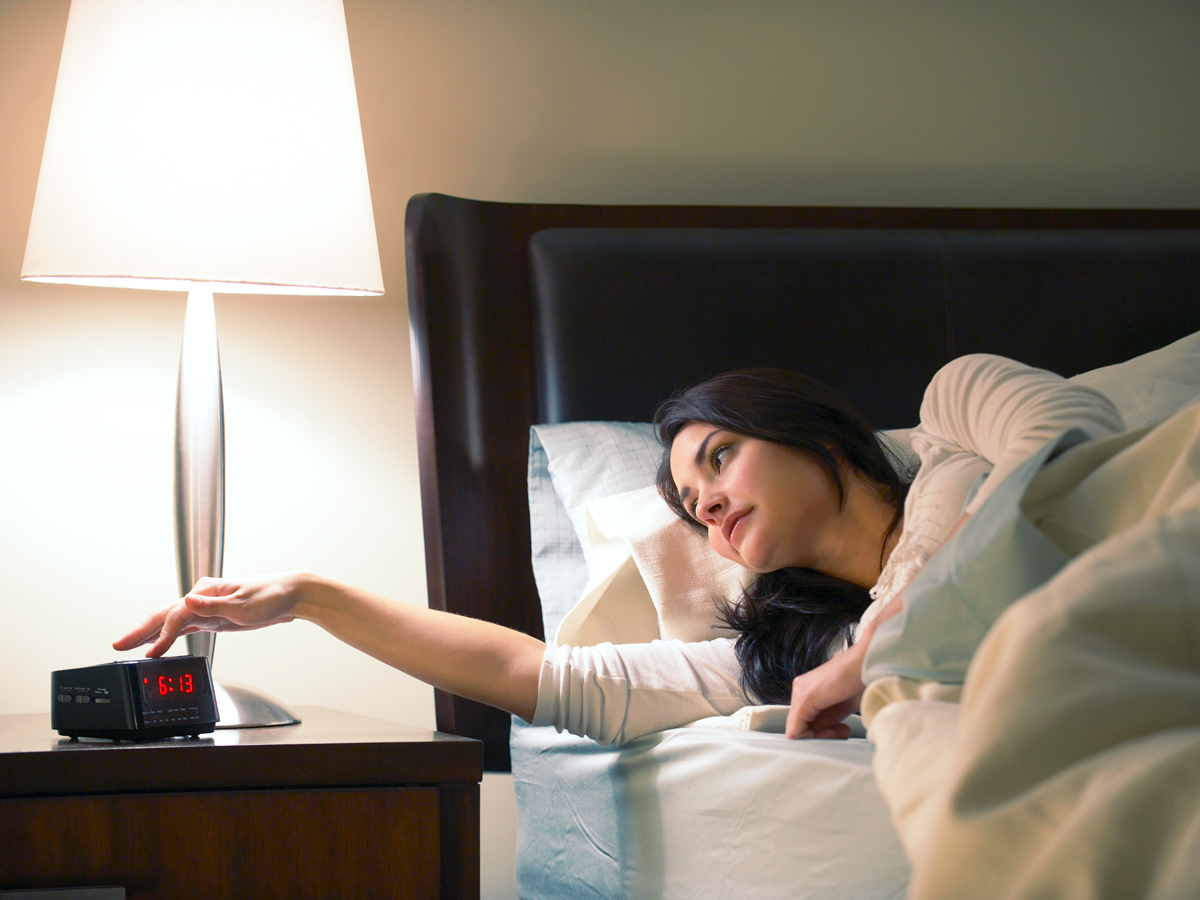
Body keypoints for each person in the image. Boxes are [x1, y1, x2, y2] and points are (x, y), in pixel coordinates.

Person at [114, 354, 1124, 743]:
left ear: (812, 432)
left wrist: (881, 646)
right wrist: (313, 598)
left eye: (720, 459)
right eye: (691, 502)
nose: (709, 504)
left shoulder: (958, 421)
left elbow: (1081, 448)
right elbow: (541, 673)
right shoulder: (786, 657)